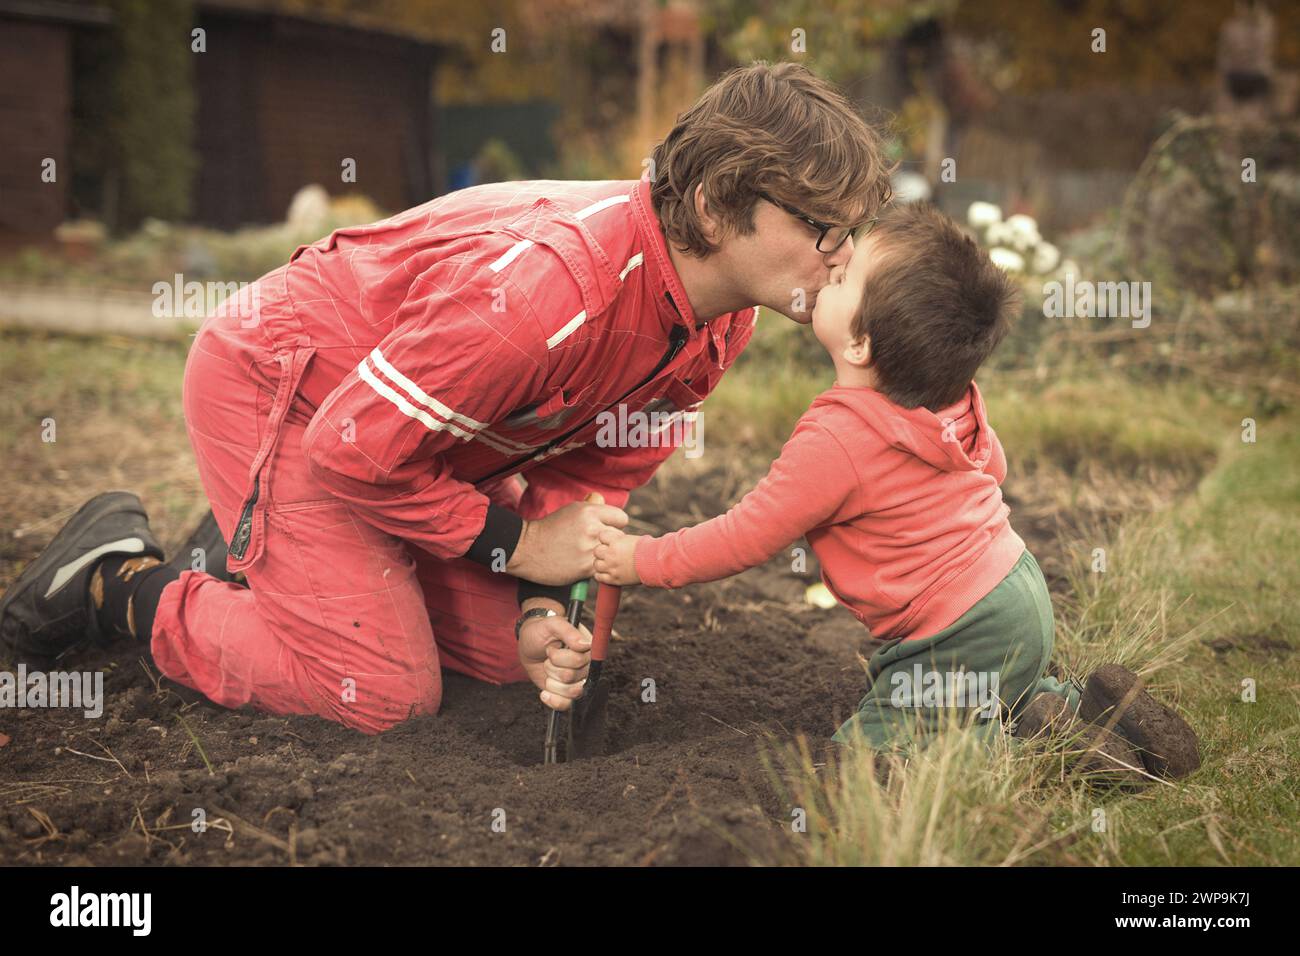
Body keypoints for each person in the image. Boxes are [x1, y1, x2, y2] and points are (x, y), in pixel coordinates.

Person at [0, 62, 892, 735]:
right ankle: (116, 580)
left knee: (509, 664)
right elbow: (351, 449)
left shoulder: (717, 321)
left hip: (416, 441)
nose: (842, 255)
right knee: (382, 693)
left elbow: (594, 478)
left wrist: (545, 605)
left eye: (850, 231)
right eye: (821, 227)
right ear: (710, 208)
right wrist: (517, 544)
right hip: (295, 396)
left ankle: (260, 551)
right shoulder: (548, 297)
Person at [593, 203, 1200, 778]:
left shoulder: (838, 439)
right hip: (1017, 590)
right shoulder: (950, 399)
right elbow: (995, 469)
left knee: (868, 757)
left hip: (960, 628)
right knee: (993, 691)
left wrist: (642, 560)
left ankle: (1036, 751)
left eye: (845, 278)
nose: (833, 265)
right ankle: (1083, 714)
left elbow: (746, 535)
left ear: (860, 343)